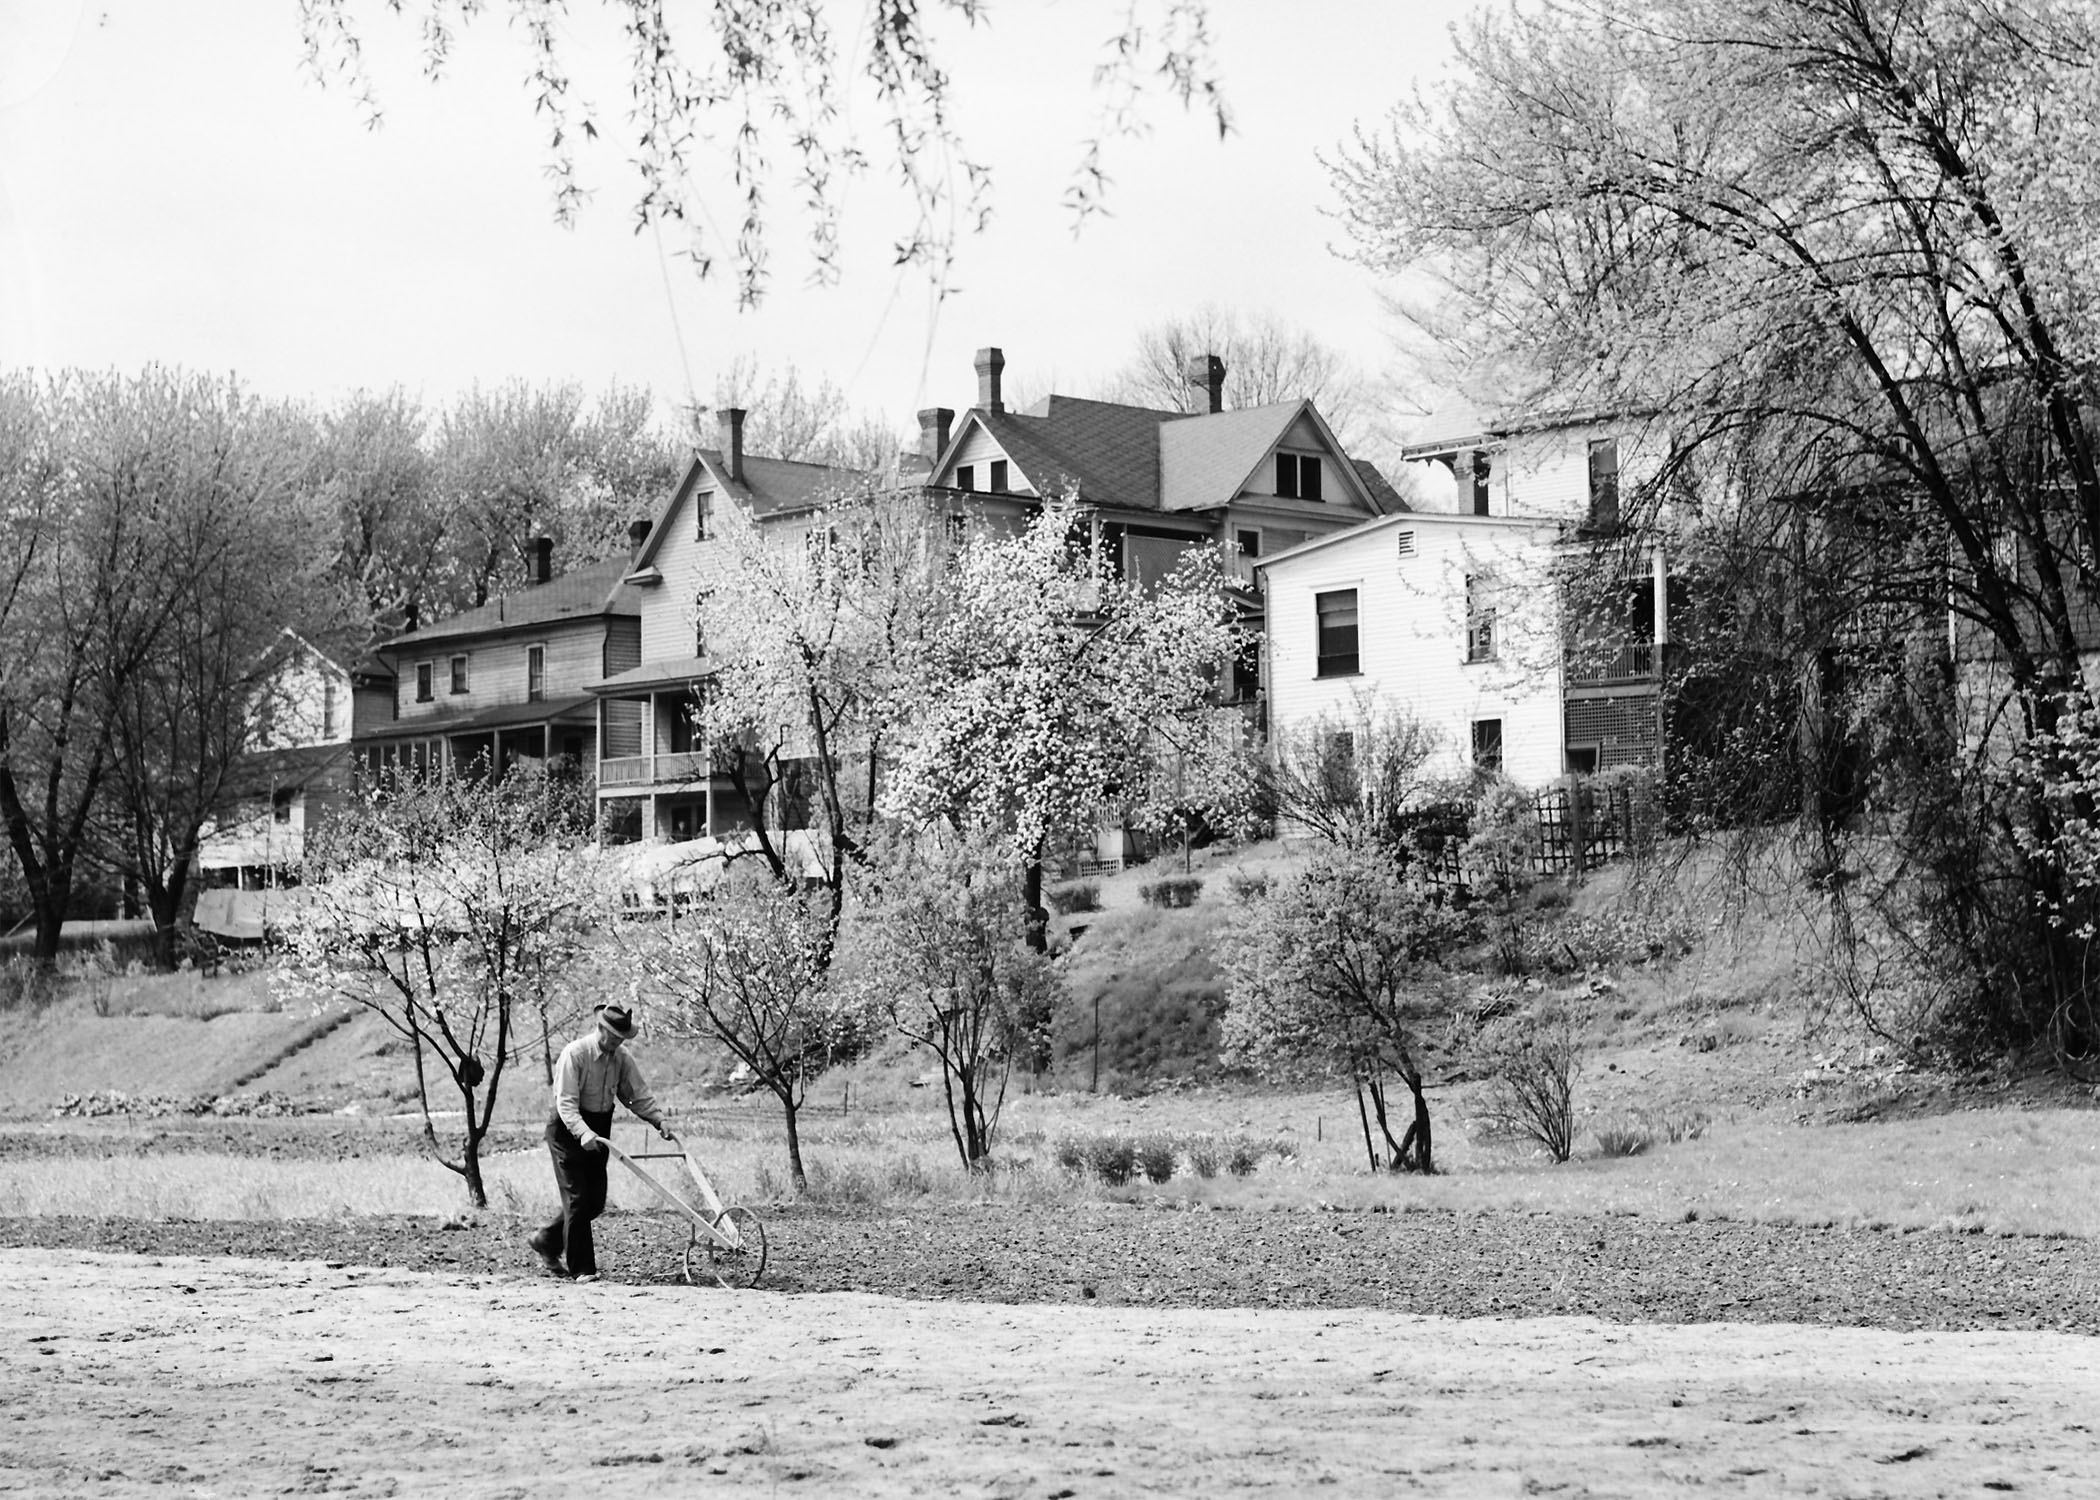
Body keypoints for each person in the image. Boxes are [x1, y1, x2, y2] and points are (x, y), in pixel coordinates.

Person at [529, 1001, 674, 1282]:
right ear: (600, 1028)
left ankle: (547, 1240)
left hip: (599, 1127)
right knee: (578, 1198)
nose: (618, 1042)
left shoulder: (621, 1058)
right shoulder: (576, 1054)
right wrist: (583, 1133)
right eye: (614, 1036)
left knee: (594, 1202)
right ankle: (582, 1269)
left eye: (623, 1038)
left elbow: (636, 1094)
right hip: (567, 1129)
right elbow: (566, 1104)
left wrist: (659, 1121)